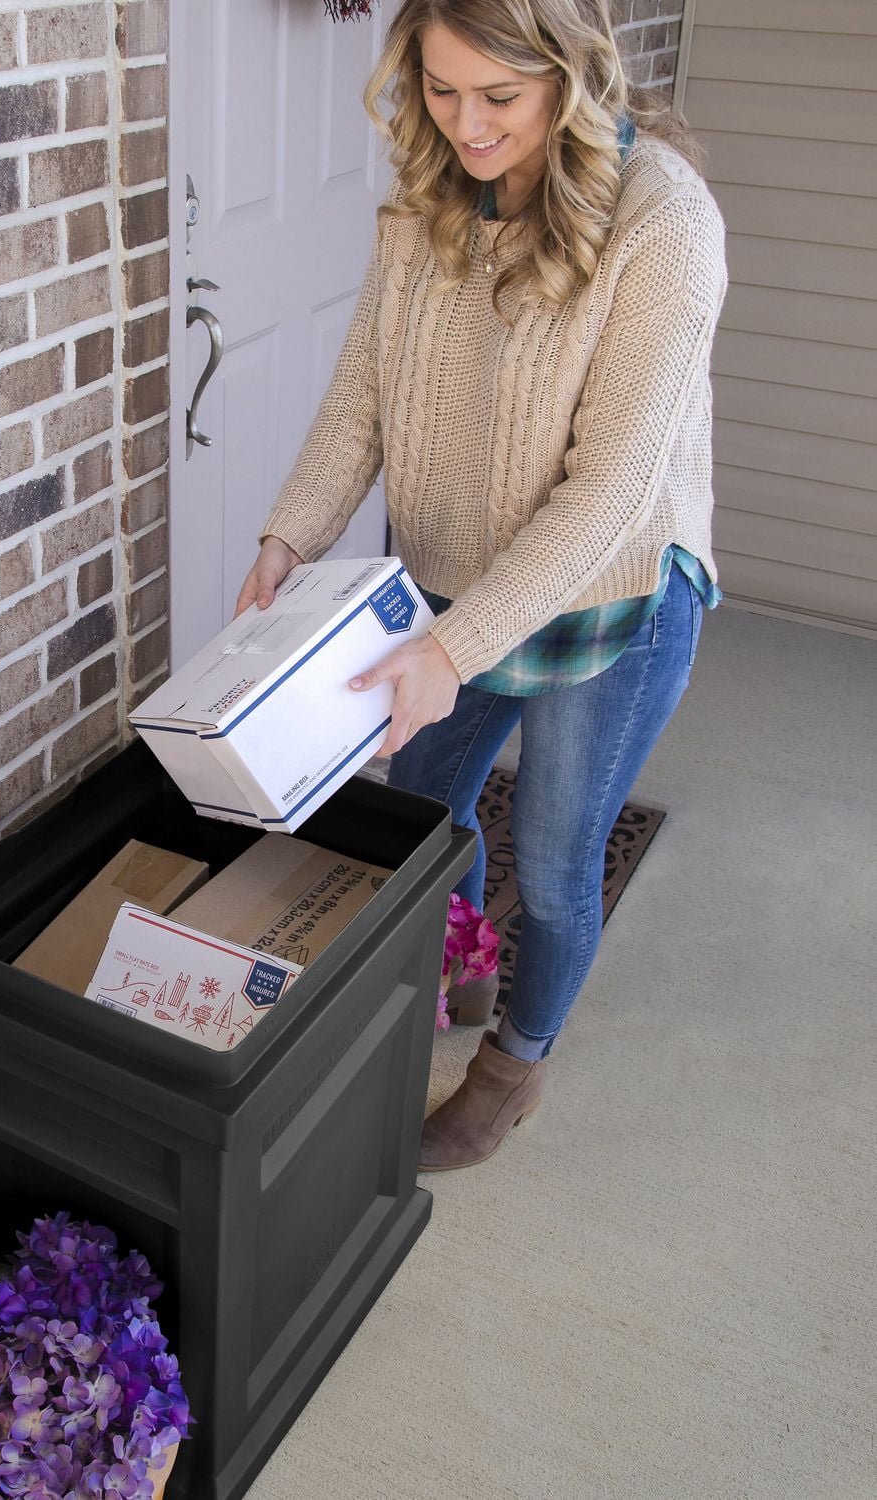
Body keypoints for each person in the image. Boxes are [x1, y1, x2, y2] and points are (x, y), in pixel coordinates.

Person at [236, 0, 727, 1171]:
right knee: (417, 818)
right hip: (450, 582)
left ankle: (516, 1064)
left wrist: (452, 654)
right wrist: (289, 537)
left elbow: (610, 491)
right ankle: (456, 951)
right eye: (441, 90)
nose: (465, 125)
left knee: (556, 859)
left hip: (607, 599)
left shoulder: (665, 227)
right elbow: (363, 387)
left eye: (499, 98)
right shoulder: (427, 198)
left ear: (569, 74)